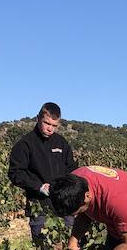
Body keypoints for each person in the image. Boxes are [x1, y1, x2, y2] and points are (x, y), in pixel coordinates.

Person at [8, 103, 76, 241]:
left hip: (64, 205)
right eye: (46, 123)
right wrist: (39, 187)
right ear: (38, 118)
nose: (50, 128)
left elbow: (71, 169)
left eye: (54, 126)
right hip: (39, 207)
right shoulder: (25, 144)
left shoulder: (62, 143)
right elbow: (15, 173)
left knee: (69, 249)